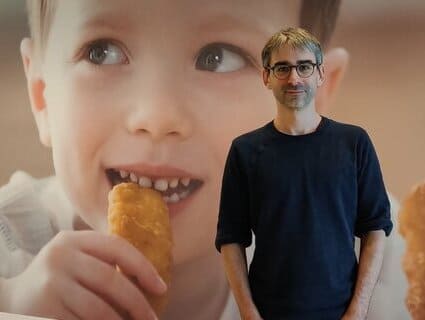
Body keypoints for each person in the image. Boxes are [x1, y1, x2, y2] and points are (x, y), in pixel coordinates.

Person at [0, 0, 406, 319]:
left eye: (219, 57)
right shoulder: (12, 246)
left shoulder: (367, 255)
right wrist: (14, 302)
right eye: (102, 52)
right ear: (41, 95)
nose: (158, 116)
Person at [215, 27, 393, 320]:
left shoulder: (353, 143)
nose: (294, 78)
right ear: (267, 77)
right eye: (282, 68)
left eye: (304, 67)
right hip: (268, 312)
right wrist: (249, 314)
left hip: (341, 313)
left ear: (320, 74)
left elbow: (375, 229)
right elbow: (231, 238)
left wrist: (358, 310)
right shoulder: (245, 151)